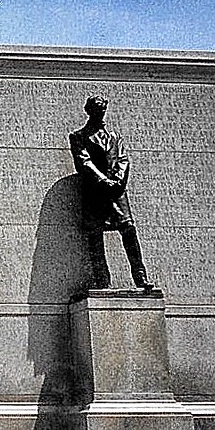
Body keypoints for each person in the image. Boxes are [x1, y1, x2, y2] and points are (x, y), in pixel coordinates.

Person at [68, 96, 152, 290]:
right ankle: (102, 280)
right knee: (95, 236)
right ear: (90, 111)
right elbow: (83, 162)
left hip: (116, 192)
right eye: (98, 110)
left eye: (103, 110)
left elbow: (122, 159)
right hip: (94, 193)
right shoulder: (79, 136)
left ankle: (140, 276)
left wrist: (118, 181)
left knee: (129, 229)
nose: (102, 114)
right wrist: (103, 180)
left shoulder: (114, 136)